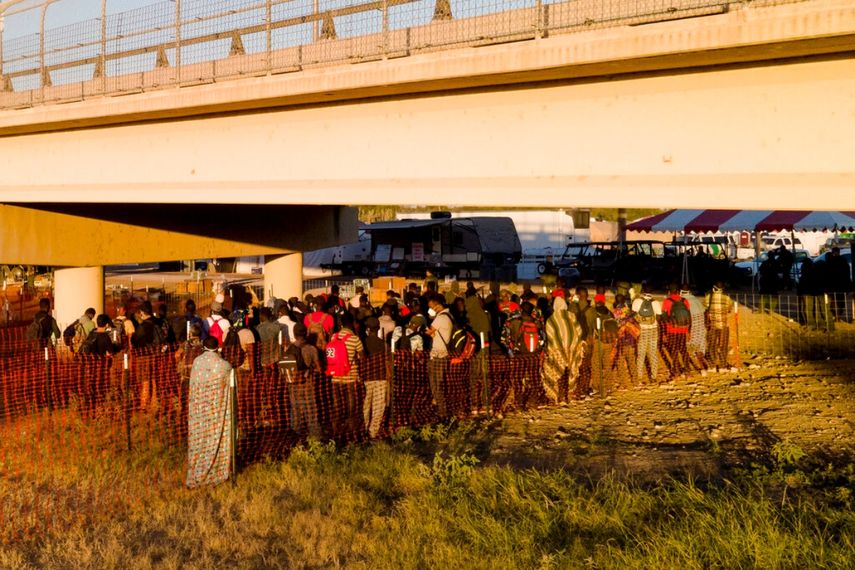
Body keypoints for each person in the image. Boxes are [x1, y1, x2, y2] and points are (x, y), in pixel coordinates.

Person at [186, 337, 235, 489]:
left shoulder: (197, 362)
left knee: (199, 439)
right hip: (215, 411)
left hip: (199, 411)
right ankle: (215, 472)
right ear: (218, 347)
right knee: (213, 438)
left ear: (204, 347)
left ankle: (196, 472)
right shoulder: (224, 366)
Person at [327, 311, 364, 440]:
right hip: (350, 375)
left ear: (341, 323)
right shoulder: (354, 339)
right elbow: (362, 356)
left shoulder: (334, 337)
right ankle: (351, 425)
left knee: (337, 403)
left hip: (335, 376)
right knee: (350, 401)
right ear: (352, 323)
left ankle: (336, 425)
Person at [283, 323, 322, 437]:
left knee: (295, 413)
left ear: (294, 335)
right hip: (307, 386)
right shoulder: (311, 349)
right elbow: (319, 369)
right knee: (311, 414)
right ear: (306, 334)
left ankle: (296, 440)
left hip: (293, 385)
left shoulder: (289, 349)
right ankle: (315, 440)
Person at [542, 300, 584, 403]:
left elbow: (550, 334)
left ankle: (559, 396)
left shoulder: (551, 319)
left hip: (557, 349)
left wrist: (551, 348)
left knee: (557, 371)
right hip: (573, 348)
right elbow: (579, 331)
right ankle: (570, 394)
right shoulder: (572, 316)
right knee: (571, 371)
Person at [426, 293, 453, 419]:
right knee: (438, 384)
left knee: (436, 385)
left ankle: (442, 413)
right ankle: (441, 410)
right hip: (442, 354)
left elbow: (429, 331)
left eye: (431, 306)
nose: (431, 309)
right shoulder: (448, 316)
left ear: (437, 305)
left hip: (438, 355)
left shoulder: (441, 317)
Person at [362, 317, 388, 439]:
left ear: (367, 329)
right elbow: (388, 362)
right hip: (381, 377)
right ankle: (373, 432)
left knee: (366, 405)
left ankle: (364, 429)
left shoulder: (363, 342)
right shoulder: (383, 344)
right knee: (378, 407)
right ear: (378, 328)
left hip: (366, 378)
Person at [569, 287, 597, 397]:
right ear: (587, 296)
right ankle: (584, 388)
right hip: (587, 342)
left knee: (574, 366)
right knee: (586, 366)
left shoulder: (572, 308)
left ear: (578, 295)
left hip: (574, 342)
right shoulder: (591, 310)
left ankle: (574, 388)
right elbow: (594, 327)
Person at [661, 284, 692, 380]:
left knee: (674, 351)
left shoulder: (667, 301)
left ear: (669, 292)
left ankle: (676, 372)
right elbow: (689, 316)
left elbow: (664, 317)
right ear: (678, 292)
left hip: (672, 330)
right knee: (683, 350)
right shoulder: (684, 300)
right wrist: (688, 330)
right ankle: (687, 371)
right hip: (683, 329)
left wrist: (664, 332)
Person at [632, 285, 662, 383]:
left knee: (641, 354)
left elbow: (633, 315)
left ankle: (639, 377)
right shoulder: (656, 302)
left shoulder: (637, 301)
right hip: (653, 329)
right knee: (653, 353)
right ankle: (654, 377)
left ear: (643, 290)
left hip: (641, 329)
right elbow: (659, 318)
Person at [704, 281, 734, 369]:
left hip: (712, 325)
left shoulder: (708, 297)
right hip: (723, 325)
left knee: (712, 344)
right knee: (723, 345)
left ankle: (712, 364)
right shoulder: (727, 297)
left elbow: (706, 307)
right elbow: (729, 309)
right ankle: (723, 364)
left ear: (714, 287)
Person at [681, 284, 708, 374]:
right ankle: (702, 361)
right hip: (700, 324)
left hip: (691, 324)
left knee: (689, 345)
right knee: (700, 344)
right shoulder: (695, 299)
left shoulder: (682, 300)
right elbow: (704, 312)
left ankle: (693, 365)